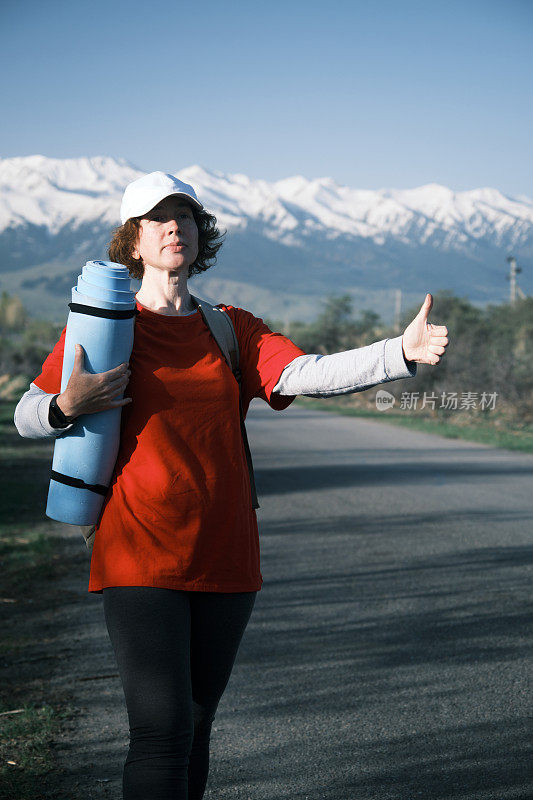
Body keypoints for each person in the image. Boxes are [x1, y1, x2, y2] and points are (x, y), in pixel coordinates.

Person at [14, 171, 449, 800]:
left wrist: (397, 354)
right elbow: (25, 413)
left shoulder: (230, 328)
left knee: (194, 723)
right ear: (132, 240)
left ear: (200, 234)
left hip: (226, 553)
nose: (174, 227)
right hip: (138, 550)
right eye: (157, 218)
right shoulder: (103, 326)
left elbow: (305, 372)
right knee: (159, 732)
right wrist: (65, 403)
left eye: (185, 217)